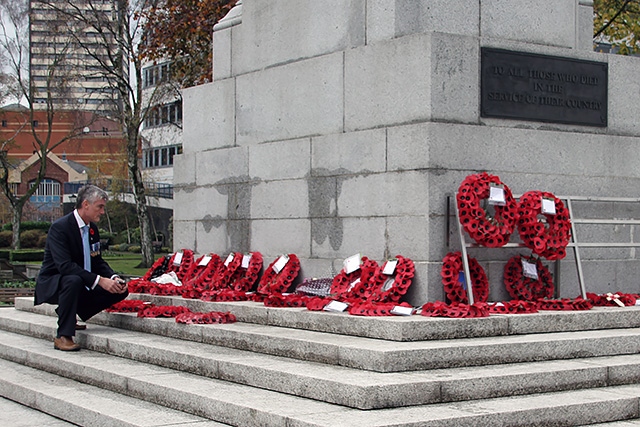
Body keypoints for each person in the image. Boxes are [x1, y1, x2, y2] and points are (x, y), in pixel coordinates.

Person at [35, 185, 128, 351]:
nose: (102, 212)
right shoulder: (60, 228)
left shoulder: (92, 229)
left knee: (120, 290)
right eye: (99, 207)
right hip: (55, 282)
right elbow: (64, 266)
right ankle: (63, 335)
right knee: (73, 280)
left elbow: (97, 261)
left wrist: (113, 278)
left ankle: (68, 313)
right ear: (86, 204)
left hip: (81, 281)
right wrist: (100, 281)